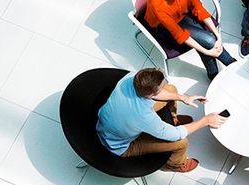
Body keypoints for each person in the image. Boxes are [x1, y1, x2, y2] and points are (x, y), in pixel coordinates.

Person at [96, 68, 226, 173]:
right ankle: (175, 165)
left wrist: (183, 98)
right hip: (120, 146)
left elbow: (158, 93)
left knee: (172, 90)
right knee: (181, 142)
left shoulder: (131, 77)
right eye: (161, 86)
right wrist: (206, 120)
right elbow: (175, 135)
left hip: (113, 121)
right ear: (151, 95)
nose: (165, 85)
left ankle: (172, 120)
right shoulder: (144, 117)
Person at [144, 0, 236, 80]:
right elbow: (179, 34)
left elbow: (199, 9)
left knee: (210, 39)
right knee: (208, 40)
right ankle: (231, 64)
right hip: (163, 27)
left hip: (182, 15)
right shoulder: (156, 0)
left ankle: (214, 74)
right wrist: (207, 52)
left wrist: (218, 36)